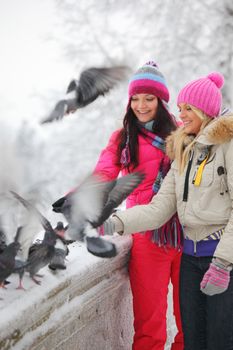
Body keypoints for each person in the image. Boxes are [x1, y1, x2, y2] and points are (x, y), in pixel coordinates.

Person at [106, 71, 233, 350]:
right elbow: (160, 208)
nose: (182, 115)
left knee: (221, 340)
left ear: (205, 109)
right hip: (190, 258)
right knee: (194, 341)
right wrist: (112, 222)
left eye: (188, 109)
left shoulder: (228, 145)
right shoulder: (184, 149)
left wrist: (224, 263)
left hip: (220, 259)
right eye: (180, 109)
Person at [94, 61, 184, 350]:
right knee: (149, 325)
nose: (141, 105)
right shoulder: (123, 138)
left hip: (186, 234)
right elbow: (103, 175)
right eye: (135, 98)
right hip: (147, 237)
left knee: (191, 322)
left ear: (161, 100)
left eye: (149, 98)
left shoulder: (182, 133)